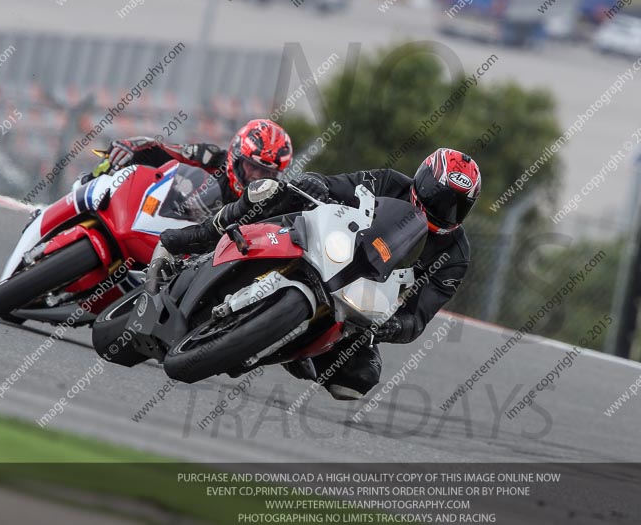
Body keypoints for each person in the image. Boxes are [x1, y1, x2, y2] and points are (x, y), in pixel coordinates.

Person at [160, 148, 481, 400]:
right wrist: (315, 183)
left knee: (358, 380)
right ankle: (199, 237)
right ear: (422, 181)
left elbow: (419, 317)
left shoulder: (455, 256)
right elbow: (335, 186)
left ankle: (292, 346)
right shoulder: (388, 182)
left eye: (456, 205)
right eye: (439, 196)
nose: (445, 209)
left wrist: (394, 326)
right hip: (329, 248)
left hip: (363, 297)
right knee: (271, 193)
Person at [103, 118, 293, 204]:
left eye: (267, 172)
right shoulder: (209, 157)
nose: (256, 176)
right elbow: (167, 151)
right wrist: (132, 146)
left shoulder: (272, 204)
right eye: (252, 166)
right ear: (235, 155)